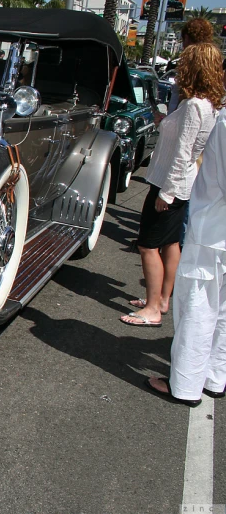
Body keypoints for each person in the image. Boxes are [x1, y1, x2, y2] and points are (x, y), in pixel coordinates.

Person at [121, 43, 223, 328]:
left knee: (147, 245)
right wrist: (165, 122)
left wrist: (166, 192)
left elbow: (182, 152)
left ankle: (153, 308)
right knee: (169, 243)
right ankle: (163, 299)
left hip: (169, 183)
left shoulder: (192, 106)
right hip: (182, 184)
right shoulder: (210, 104)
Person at [146, 78, 226, 406]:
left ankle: (185, 385)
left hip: (212, 231)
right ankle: (214, 376)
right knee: (220, 311)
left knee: (197, 308)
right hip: (216, 231)